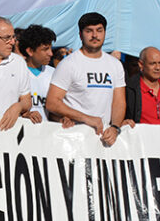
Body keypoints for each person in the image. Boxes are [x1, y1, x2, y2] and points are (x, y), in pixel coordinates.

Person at [46, 12, 125, 146]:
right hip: (73, 138)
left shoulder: (115, 64)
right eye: (89, 31)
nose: (95, 35)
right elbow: (52, 103)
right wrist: (87, 119)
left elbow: (119, 102)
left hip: (103, 140)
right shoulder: (68, 64)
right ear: (80, 35)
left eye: (99, 30)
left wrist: (115, 127)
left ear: (105, 33)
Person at [122, 47, 160, 130]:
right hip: (139, 140)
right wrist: (122, 122)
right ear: (141, 64)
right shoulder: (128, 89)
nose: (158, 68)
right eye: (153, 63)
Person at [18, 24, 56, 123]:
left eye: (50, 48)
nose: (51, 53)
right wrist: (25, 114)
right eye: (45, 49)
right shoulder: (15, 72)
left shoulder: (54, 74)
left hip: (46, 134)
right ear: (30, 51)